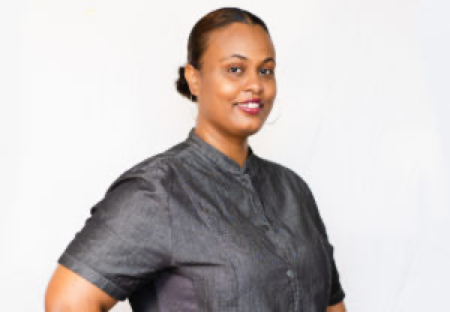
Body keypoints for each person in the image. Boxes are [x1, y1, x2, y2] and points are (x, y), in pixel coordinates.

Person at [45, 7, 346, 312]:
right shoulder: (157, 190)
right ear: (194, 78)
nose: (255, 84)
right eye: (235, 69)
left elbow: (333, 305)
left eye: (265, 70)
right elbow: (67, 303)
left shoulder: (294, 191)